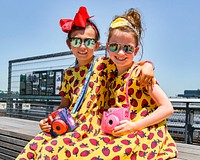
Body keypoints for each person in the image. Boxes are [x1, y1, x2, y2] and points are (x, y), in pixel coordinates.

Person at [16, 6, 155, 160]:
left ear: (96, 45)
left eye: (88, 42)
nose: (82, 46)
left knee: (53, 149)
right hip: (70, 122)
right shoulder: (68, 74)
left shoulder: (104, 64)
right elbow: (64, 105)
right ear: (69, 44)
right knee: (34, 146)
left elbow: (127, 62)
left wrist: (148, 64)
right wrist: (50, 120)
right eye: (77, 41)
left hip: (92, 125)